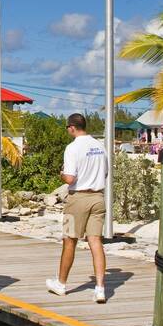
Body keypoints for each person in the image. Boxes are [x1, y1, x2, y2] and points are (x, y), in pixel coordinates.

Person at [46, 112, 108, 303]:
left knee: (69, 240)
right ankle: (100, 289)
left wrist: (61, 174)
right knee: (96, 242)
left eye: (67, 127)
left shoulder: (72, 148)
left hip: (78, 198)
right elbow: (104, 172)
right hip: (98, 197)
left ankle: (61, 284)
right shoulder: (100, 145)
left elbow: (70, 178)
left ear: (72, 127)